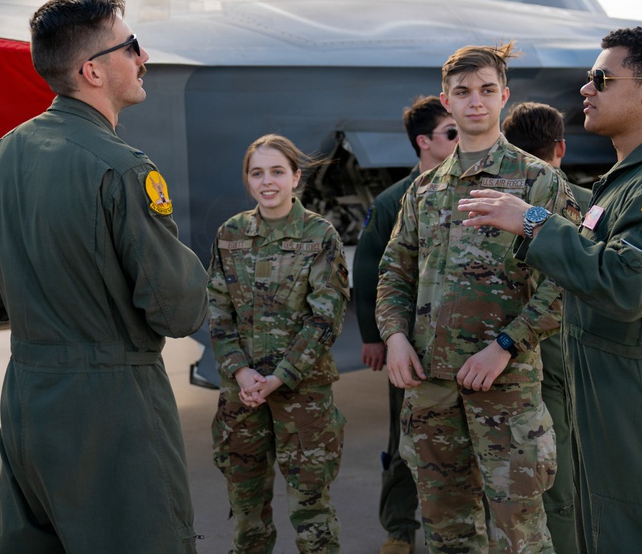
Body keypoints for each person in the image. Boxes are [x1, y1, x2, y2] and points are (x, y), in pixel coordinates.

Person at [457, 26, 642, 553]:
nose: (586, 88)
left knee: (638, 538)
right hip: (606, 392)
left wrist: (533, 221)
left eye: (601, 78)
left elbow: (626, 285)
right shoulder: (627, 178)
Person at [0, 0, 209, 553]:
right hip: (112, 408)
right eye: (131, 46)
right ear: (93, 69)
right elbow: (179, 309)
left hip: (27, 396)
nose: (144, 55)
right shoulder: (122, 167)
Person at [377, 44, 580, 554]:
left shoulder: (538, 182)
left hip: (505, 390)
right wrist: (396, 338)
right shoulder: (423, 190)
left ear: (504, 97)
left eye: (487, 90)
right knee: (448, 534)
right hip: (429, 389)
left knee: (521, 536)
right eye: (463, 92)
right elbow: (394, 273)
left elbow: (567, 280)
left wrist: (506, 345)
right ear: (446, 100)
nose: (475, 102)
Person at [207, 134, 350, 554]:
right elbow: (217, 309)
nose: (267, 182)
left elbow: (326, 318)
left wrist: (280, 376)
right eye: (257, 173)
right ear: (248, 180)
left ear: (295, 178)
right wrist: (240, 370)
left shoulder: (320, 236)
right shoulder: (230, 234)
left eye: (276, 172)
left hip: (302, 394)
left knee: (312, 513)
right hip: (243, 394)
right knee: (246, 511)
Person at [353, 96, 457, 554]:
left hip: (464, 347)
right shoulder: (393, 201)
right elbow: (369, 272)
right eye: (450, 133)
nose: (460, 139)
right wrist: (375, 337)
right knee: (405, 441)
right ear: (424, 142)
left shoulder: (473, 192)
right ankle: (399, 529)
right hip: (410, 346)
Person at [501, 101, 585, 554]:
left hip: (500, 365)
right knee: (561, 489)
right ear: (561, 148)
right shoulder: (587, 204)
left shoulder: (483, 203)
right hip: (561, 363)